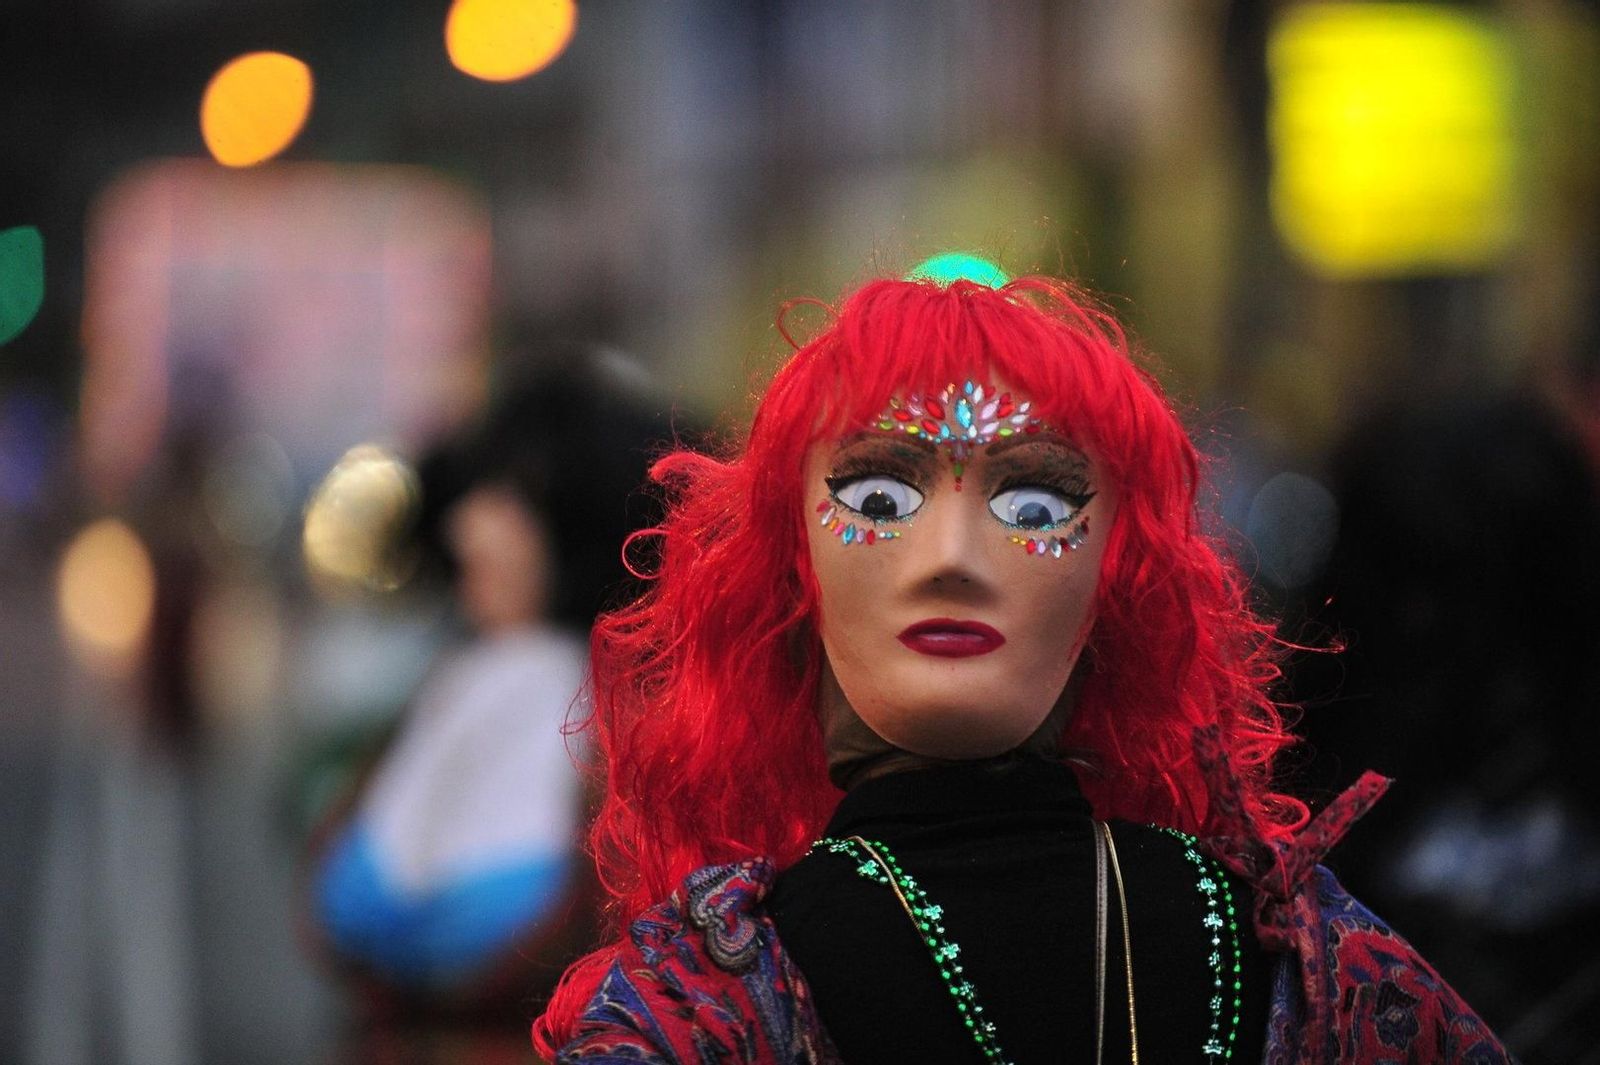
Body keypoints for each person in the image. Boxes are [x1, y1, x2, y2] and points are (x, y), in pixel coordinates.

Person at [531, 276, 1513, 1063]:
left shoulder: (1304, 959)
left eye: (1034, 505)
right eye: (877, 492)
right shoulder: (704, 998)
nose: (951, 555)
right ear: (792, 567)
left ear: (1112, 576)